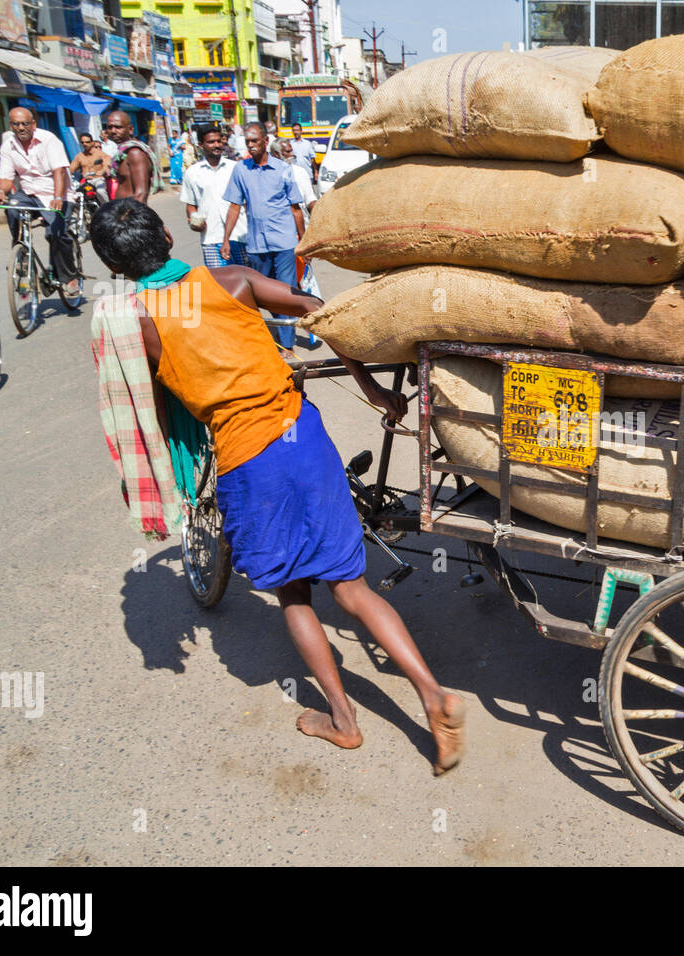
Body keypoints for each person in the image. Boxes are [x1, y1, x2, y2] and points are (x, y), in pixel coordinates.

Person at [87, 198, 466, 769]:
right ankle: (432, 694)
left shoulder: (136, 323)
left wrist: (174, 460)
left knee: (292, 592)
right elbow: (318, 310)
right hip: (302, 436)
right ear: (167, 234)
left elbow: (153, 409)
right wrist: (370, 387)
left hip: (246, 459)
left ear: (115, 266)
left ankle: (342, 720)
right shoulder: (233, 280)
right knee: (350, 586)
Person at [221, 121, 306, 349]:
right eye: (248, 141)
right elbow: (234, 206)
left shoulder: (283, 170)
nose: (251, 145)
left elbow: (295, 209)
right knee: (260, 294)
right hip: (257, 244)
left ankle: (287, 345)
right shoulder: (241, 170)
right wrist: (226, 239)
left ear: (265, 142)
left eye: (255, 141)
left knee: (286, 292)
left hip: (284, 242)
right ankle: (272, 336)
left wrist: (304, 242)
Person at [0, 106, 80, 297]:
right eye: (16, 124)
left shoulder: (49, 140)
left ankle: (69, 277)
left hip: (57, 193)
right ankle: (21, 251)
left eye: (25, 123)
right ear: (11, 125)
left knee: (56, 234)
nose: (20, 128)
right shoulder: (8, 145)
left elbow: (59, 171)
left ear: (33, 124)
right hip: (30, 193)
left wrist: (58, 197)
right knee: (12, 208)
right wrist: (1, 190)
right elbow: (7, 176)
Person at [182, 125, 249, 268]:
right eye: (211, 142)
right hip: (211, 237)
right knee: (218, 284)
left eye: (219, 141)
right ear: (200, 146)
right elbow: (190, 204)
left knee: (247, 281)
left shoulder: (235, 168)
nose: (217, 145)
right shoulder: (193, 173)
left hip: (240, 235)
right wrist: (194, 221)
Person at [103, 110, 157, 203]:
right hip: (122, 209)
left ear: (131, 129)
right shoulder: (122, 153)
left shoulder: (135, 153)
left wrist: (131, 216)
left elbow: (141, 193)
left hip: (130, 211)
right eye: (110, 127)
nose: (113, 131)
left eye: (118, 127)